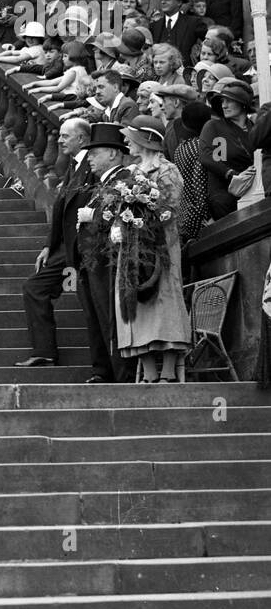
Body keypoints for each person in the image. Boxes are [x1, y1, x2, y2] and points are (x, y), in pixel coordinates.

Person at [116, 117, 190, 382]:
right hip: (133, 246)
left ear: (145, 140)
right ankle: (148, 372)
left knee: (164, 300)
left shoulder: (167, 171)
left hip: (161, 246)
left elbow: (171, 210)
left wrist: (143, 213)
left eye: (130, 137)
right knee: (135, 300)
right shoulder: (131, 171)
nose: (125, 141)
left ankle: (168, 371)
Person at [16, 119, 93, 367]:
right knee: (34, 287)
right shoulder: (73, 165)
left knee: (91, 303)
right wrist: (49, 245)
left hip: (84, 247)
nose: (59, 141)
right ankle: (44, 351)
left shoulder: (92, 166)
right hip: (62, 248)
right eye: (59, 136)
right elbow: (61, 209)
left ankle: (105, 366)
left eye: (64, 136)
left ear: (81, 138)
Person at [74, 122, 137, 385]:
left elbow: (126, 214)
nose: (89, 158)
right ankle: (103, 370)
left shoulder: (123, 178)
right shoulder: (104, 181)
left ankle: (119, 375)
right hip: (93, 263)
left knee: (111, 319)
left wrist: (95, 215)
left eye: (94, 152)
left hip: (109, 262)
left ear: (112, 153)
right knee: (96, 318)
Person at [199, 78, 255, 221]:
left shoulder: (254, 129)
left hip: (253, 194)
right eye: (222, 101)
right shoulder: (215, 127)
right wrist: (232, 175)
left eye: (229, 101)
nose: (224, 105)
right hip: (223, 198)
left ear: (242, 104)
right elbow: (207, 156)